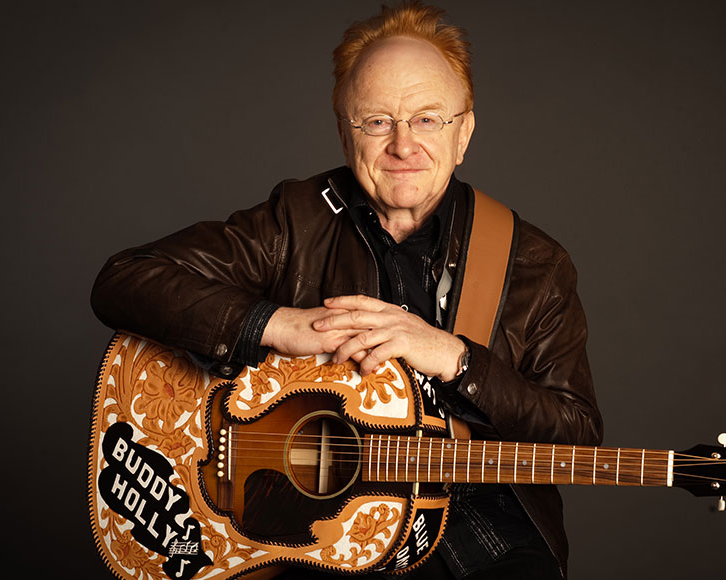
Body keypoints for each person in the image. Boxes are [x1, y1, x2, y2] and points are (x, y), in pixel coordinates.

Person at [91, 2, 602, 578]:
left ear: (465, 132)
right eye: (377, 121)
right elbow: (122, 280)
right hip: (310, 526)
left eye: (428, 119)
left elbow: (576, 436)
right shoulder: (295, 220)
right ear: (344, 132)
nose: (403, 145)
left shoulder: (535, 262)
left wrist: (457, 360)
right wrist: (274, 325)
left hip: (476, 516)